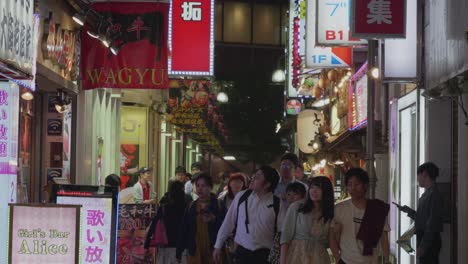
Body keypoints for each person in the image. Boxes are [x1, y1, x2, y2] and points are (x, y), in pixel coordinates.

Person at [213, 165, 280, 264]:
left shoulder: (277, 204)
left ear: (267, 184)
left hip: (265, 255)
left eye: (257, 177)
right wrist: (218, 246)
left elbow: (282, 234)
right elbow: (228, 222)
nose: (252, 178)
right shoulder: (242, 197)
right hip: (242, 252)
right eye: (254, 175)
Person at [330, 168, 390, 264]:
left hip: (371, 260)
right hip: (346, 260)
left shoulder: (377, 208)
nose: (353, 188)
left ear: (365, 185)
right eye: (349, 184)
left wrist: (387, 259)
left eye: (357, 184)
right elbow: (331, 237)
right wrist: (337, 258)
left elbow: (384, 236)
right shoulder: (339, 208)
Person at [279, 176, 334, 264]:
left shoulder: (329, 213)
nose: (314, 191)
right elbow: (285, 237)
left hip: (319, 258)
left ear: (326, 191)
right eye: (312, 187)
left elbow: (329, 241)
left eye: (318, 188)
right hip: (297, 256)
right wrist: (282, 261)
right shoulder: (297, 207)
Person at [176, 173, 227, 264]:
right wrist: (179, 252)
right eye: (198, 185)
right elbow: (184, 229)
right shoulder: (191, 206)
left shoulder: (219, 205)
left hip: (214, 252)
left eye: (203, 185)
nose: (200, 188)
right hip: (195, 251)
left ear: (210, 187)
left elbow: (227, 228)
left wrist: (214, 219)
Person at [399, 162, 444, 264]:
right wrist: (408, 211)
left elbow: (432, 223)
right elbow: (423, 218)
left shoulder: (434, 195)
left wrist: (423, 246)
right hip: (425, 237)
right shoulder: (428, 193)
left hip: (429, 240)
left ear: (424, 174)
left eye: (418, 175)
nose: (417, 179)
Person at [145, 181, 191, 264]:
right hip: (183, 249)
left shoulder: (164, 208)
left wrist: (146, 244)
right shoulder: (188, 208)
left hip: (165, 247)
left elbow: (153, 225)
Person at [269, 182, 307, 264]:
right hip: (280, 247)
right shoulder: (281, 209)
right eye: (289, 194)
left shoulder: (303, 213)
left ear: (303, 196)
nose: (291, 197)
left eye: (295, 194)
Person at [274, 153, 308, 233]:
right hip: (276, 226)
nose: (285, 168)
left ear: (295, 169)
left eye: (289, 166)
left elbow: (307, 205)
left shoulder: (302, 187)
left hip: (296, 226)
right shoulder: (273, 185)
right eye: (283, 165)